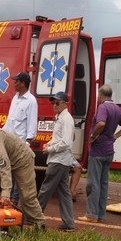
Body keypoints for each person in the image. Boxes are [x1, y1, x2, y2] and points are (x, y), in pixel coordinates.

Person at [79, 85, 121, 223]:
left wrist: (92, 136)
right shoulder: (117, 108)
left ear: (100, 95)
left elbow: (101, 123)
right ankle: (101, 214)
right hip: (109, 150)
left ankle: (91, 214)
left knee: (93, 183)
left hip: (98, 150)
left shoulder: (103, 107)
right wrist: (115, 136)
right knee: (103, 183)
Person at [36, 92, 75, 231]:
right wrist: (49, 143)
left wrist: (50, 149)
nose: (54, 105)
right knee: (64, 192)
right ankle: (69, 223)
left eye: (57, 103)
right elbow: (59, 138)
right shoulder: (60, 118)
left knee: (45, 189)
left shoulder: (66, 119)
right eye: (53, 103)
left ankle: (35, 217)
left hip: (59, 160)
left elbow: (66, 142)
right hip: (61, 160)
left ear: (65, 104)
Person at [2, 71, 38, 205]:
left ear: (23, 83)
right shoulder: (15, 98)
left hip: (20, 144)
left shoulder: (31, 101)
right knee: (9, 173)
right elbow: (10, 121)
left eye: (16, 81)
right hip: (9, 142)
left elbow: (32, 125)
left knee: (18, 176)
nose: (14, 83)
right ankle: (8, 201)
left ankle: (13, 203)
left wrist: (26, 145)